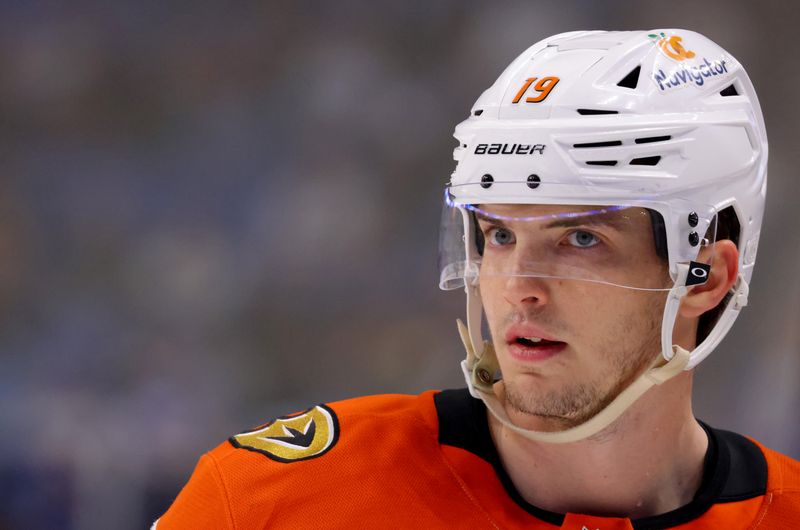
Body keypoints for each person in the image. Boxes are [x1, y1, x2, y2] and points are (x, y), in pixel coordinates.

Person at [153, 29, 800, 529]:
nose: (519, 286)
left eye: (581, 239)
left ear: (705, 276)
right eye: (499, 235)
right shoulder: (275, 502)